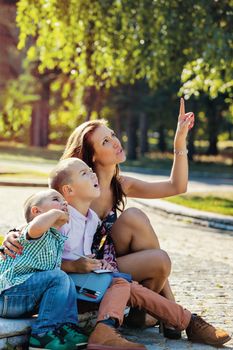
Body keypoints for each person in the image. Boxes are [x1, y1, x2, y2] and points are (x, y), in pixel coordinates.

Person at [2, 98, 195, 336]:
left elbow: (177, 186)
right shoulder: (76, 188)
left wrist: (180, 140)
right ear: (92, 156)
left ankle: (157, 311)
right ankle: (163, 311)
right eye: (105, 140)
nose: (116, 142)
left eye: (112, 134)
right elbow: (41, 214)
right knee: (159, 259)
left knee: (135, 217)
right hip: (83, 268)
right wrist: (14, 234)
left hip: (107, 260)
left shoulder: (120, 184)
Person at [49, 158, 231, 349]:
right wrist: (73, 265)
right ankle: (185, 321)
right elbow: (37, 249)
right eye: (85, 173)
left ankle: (188, 322)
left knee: (126, 284)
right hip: (68, 289)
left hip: (89, 283)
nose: (93, 174)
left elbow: (88, 255)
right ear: (69, 190)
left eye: (90, 170)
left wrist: (99, 264)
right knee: (122, 283)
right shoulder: (60, 218)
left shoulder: (91, 219)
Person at [0, 189, 88, 350]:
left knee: (65, 279)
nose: (64, 203)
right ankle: (42, 334)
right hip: (7, 297)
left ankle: (66, 327)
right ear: (36, 211)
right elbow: (36, 227)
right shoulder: (33, 231)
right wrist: (55, 213)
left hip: (22, 299)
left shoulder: (54, 237)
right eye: (56, 199)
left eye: (64, 202)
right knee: (59, 277)